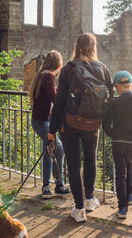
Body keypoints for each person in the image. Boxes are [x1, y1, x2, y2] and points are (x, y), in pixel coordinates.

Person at [48, 33, 113, 223]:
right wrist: (103, 121)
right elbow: (109, 97)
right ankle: (91, 199)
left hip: (70, 122)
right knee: (90, 158)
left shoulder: (69, 69)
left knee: (74, 163)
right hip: (93, 122)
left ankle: (79, 208)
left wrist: (52, 130)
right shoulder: (102, 68)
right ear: (94, 46)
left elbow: (59, 102)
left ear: (76, 46)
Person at [103, 71, 132, 219]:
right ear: (131, 85)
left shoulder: (114, 103)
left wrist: (113, 134)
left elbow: (106, 124)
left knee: (120, 175)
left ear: (117, 86)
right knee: (129, 166)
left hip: (118, 141)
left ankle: (122, 208)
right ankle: (130, 195)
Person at [28, 50, 70, 199]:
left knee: (49, 151)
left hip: (40, 121)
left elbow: (51, 92)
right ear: (58, 66)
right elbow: (54, 98)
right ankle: (57, 185)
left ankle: (49, 186)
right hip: (42, 122)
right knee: (58, 149)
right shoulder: (48, 76)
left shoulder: (42, 75)